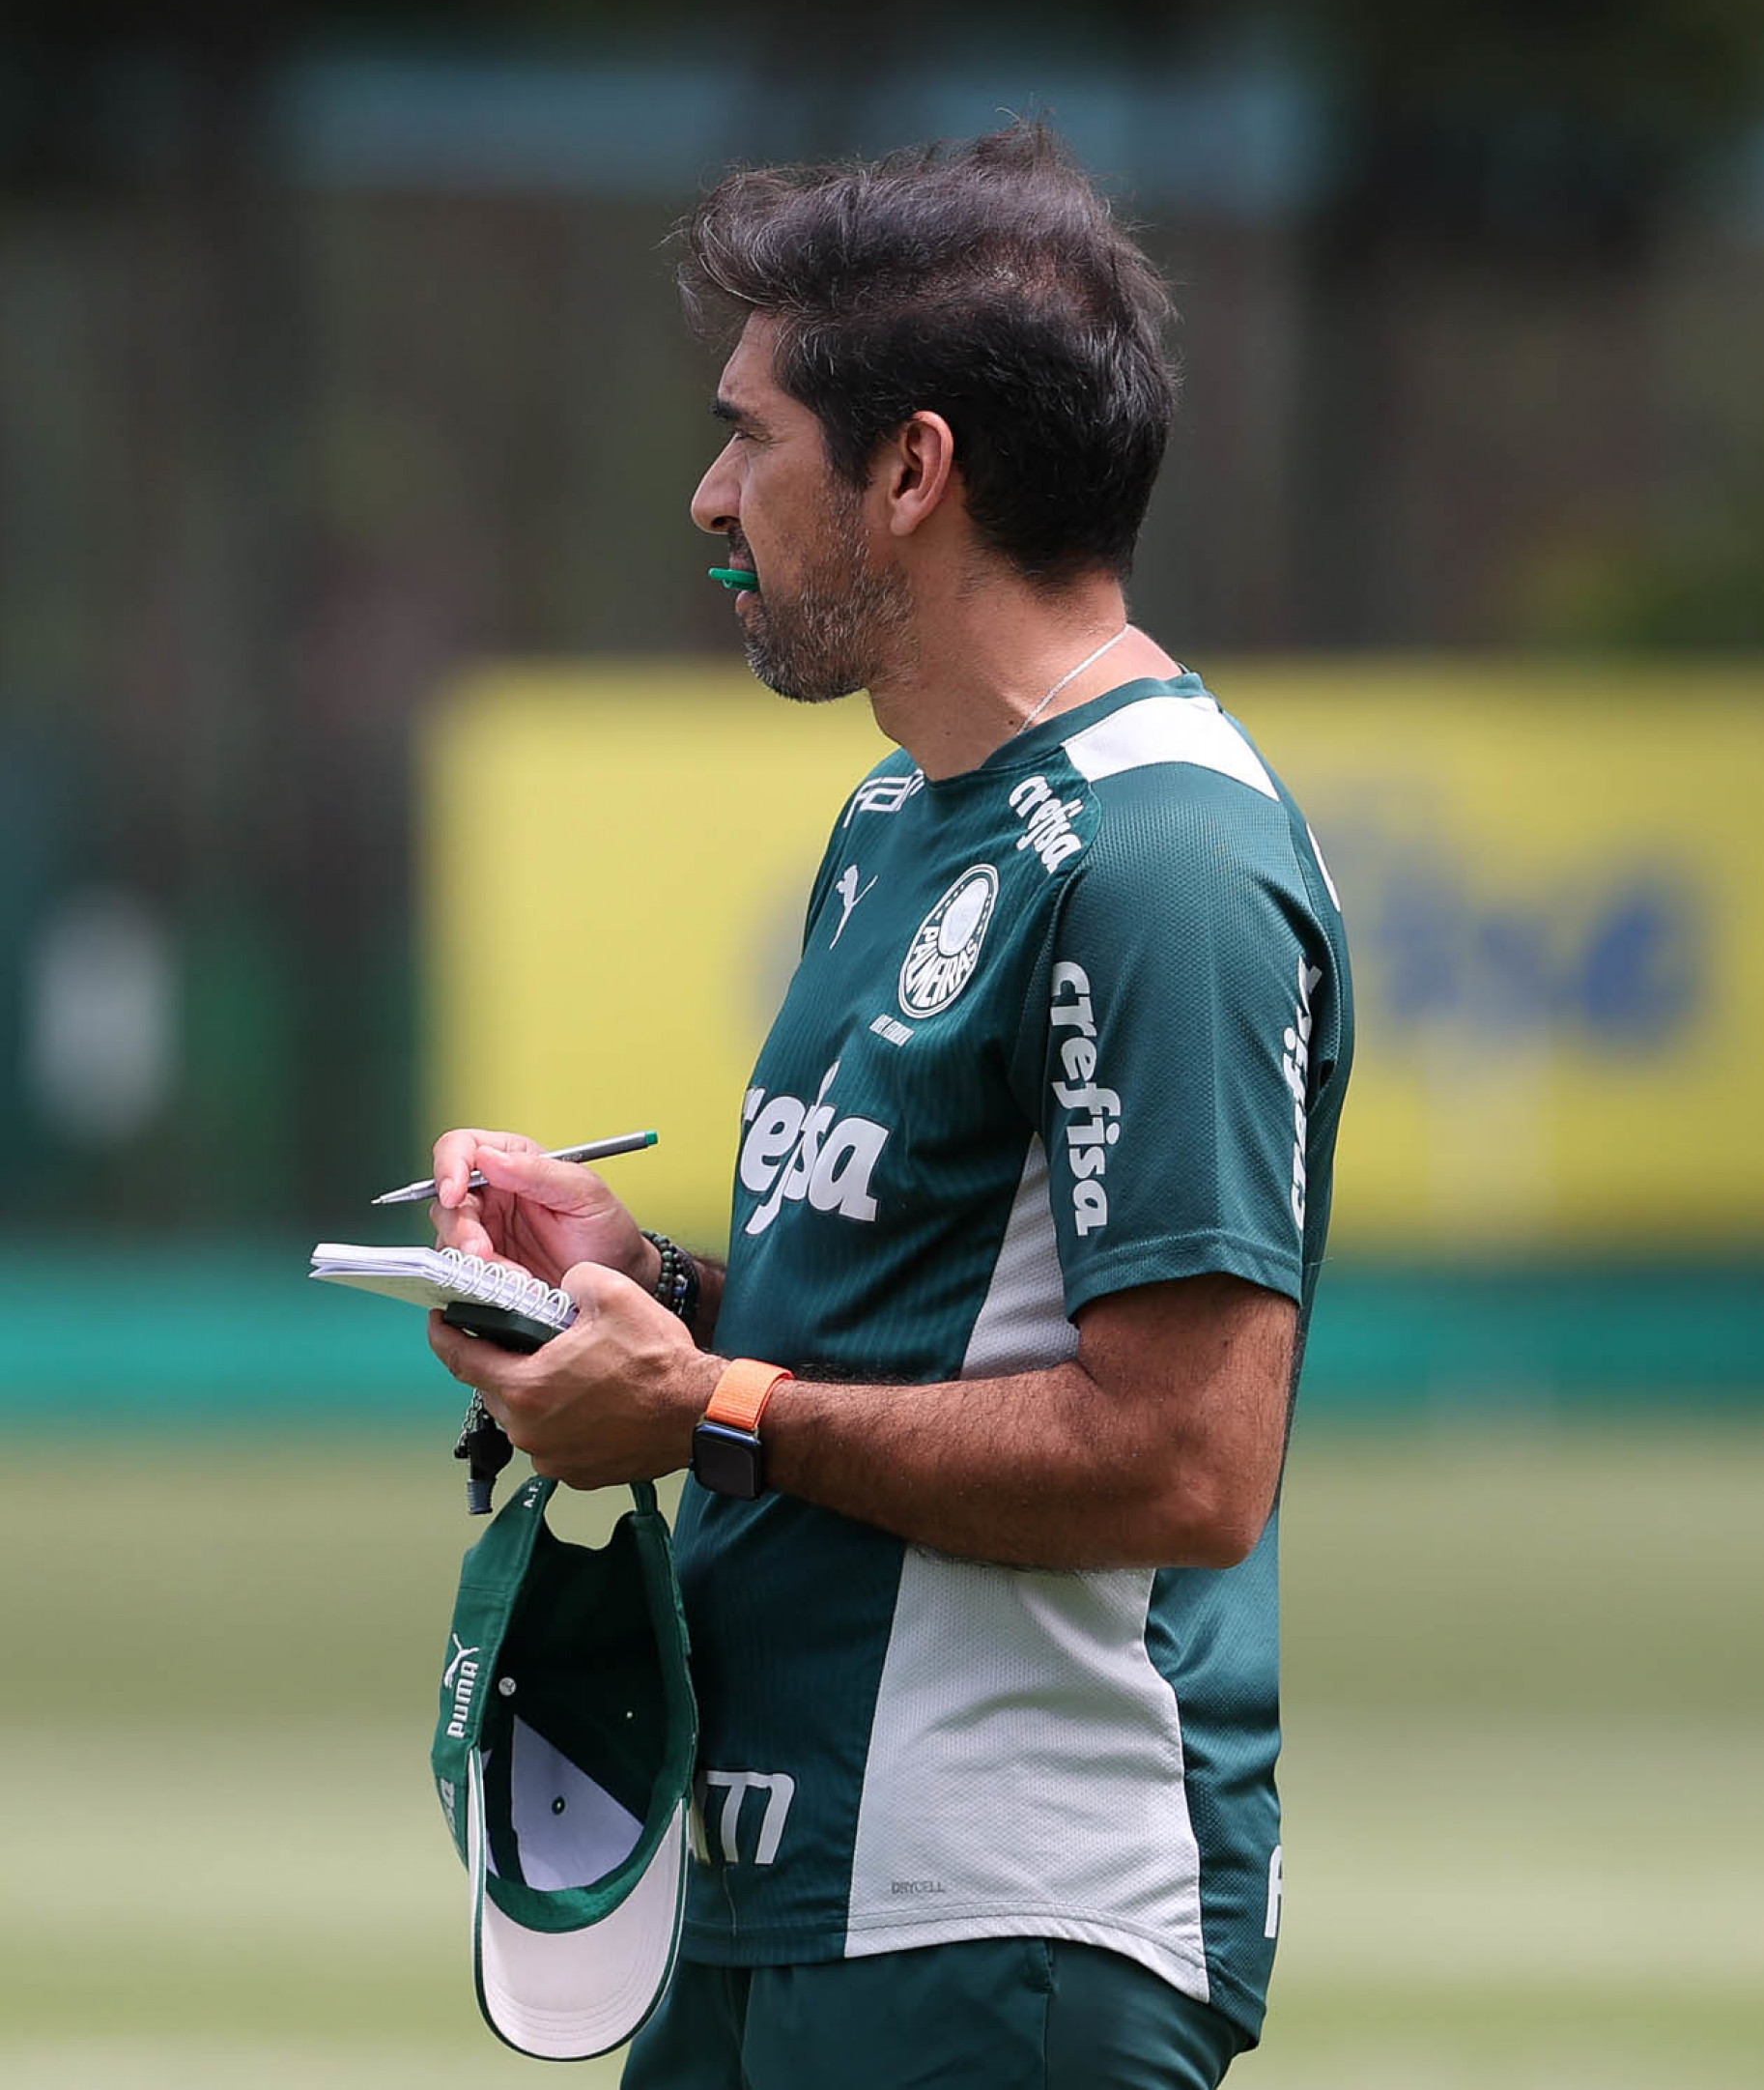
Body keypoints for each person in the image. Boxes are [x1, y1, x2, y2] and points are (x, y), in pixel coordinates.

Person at [426, 124, 1352, 2090]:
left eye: (748, 437)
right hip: (771, 1895)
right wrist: (640, 1285)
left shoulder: (1166, 860)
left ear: (910, 470)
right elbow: (912, 1311)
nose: (708, 496)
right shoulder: (895, 823)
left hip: (997, 1936)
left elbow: (1185, 1458)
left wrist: (704, 1409)